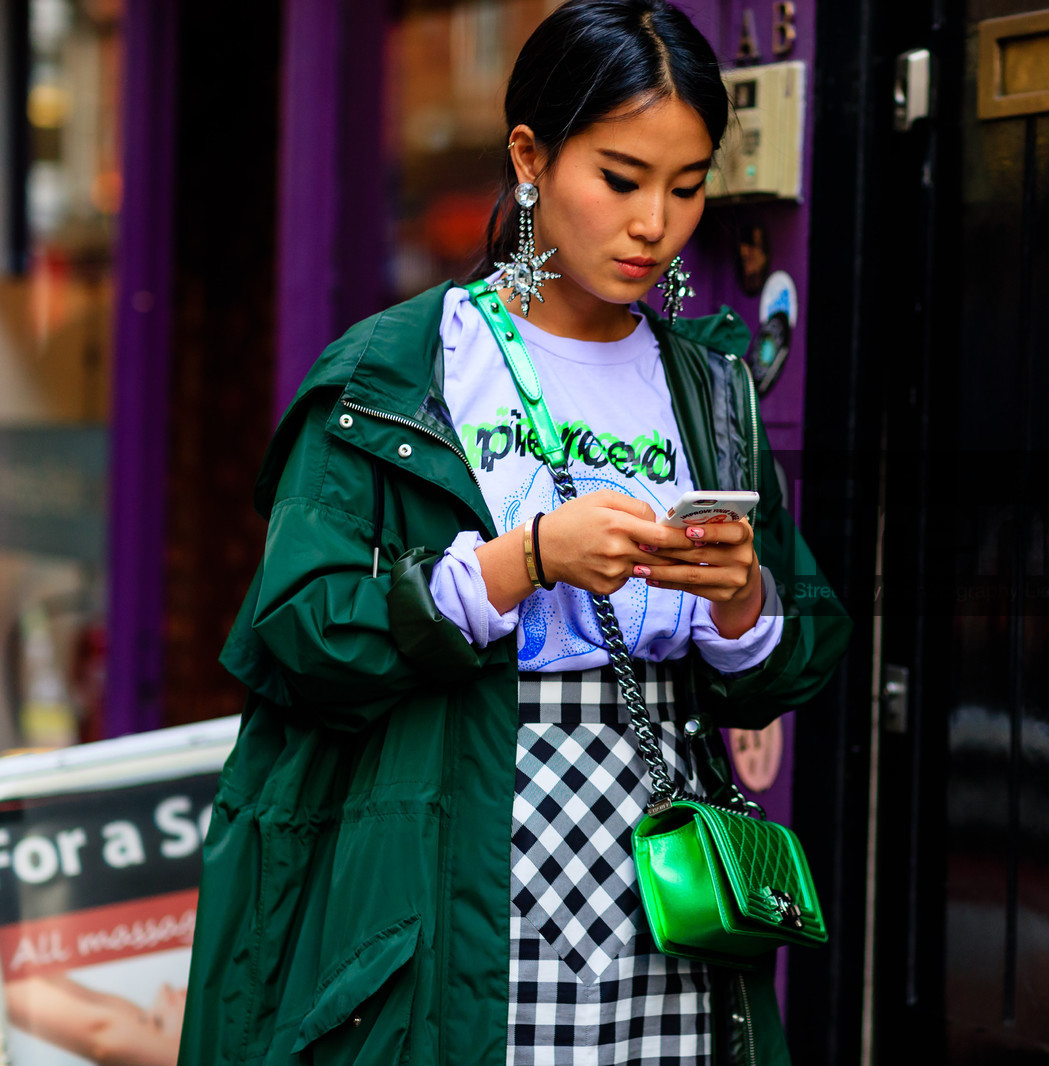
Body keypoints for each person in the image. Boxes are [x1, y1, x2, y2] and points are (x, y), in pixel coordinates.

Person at [175, 2, 850, 1064]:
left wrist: (738, 597)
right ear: (529, 157)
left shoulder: (710, 386)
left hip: (658, 879)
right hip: (446, 848)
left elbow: (788, 659)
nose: (655, 224)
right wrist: (522, 559)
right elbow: (300, 631)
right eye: (621, 179)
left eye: (687, 184)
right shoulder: (397, 373)